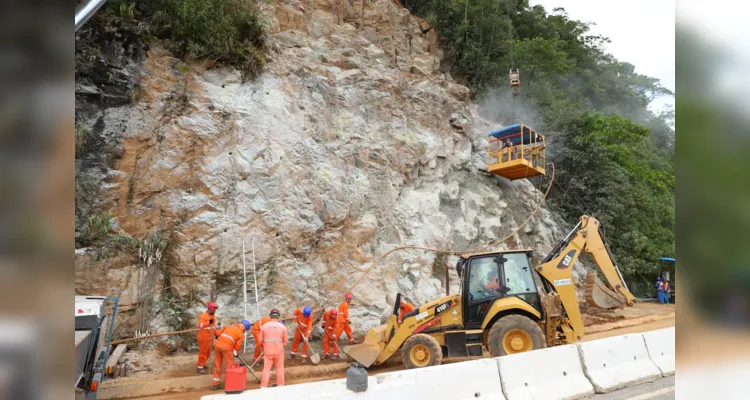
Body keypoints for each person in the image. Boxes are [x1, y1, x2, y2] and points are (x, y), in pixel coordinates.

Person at [212, 319, 250, 390]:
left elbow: (218, 333)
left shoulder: (228, 327)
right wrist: (235, 351)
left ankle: (215, 384)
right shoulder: (241, 334)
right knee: (230, 366)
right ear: (245, 329)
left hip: (217, 346)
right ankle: (230, 384)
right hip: (227, 348)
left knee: (217, 365)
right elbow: (237, 346)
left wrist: (214, 330)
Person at [260, 309, 288, 388]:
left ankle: (263, 386)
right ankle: (280, 385)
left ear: (270, 316)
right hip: (279, 352)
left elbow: (260, 340)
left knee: (266, 370)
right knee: (279, 369)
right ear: (278, 316)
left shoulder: (264, 326)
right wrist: (281, 346)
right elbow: (285, 341)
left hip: (268, 352)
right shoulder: (283, 327)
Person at [196, 302, 219, 374]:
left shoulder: (214, 317)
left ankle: (203, 363)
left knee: (208, 352)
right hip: (204, 337)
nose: (214, 311)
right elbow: (200, 325)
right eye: (213, 310)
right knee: (203, 352)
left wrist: (216, 334)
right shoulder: (203, 316)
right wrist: (208, 322)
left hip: (211, 337)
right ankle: (200, 367)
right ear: (209, 309)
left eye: (215, 310)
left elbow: (213, 327)